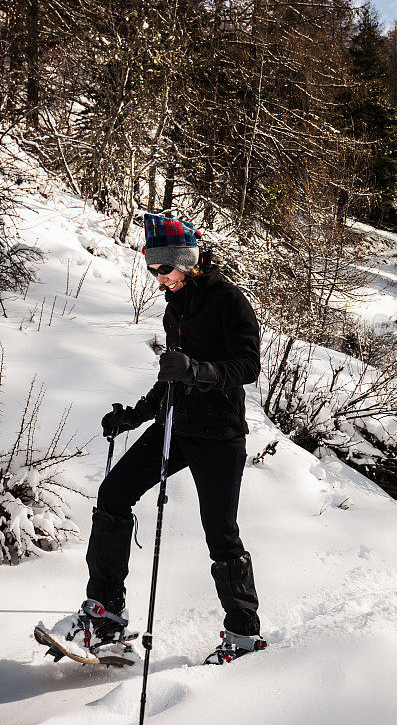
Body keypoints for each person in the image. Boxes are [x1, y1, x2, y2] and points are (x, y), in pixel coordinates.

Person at [47, 213, 264, 665]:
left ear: (187, 261)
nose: (159, 279)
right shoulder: (176, 306)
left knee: (220, 534)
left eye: (164, 270)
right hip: (178, 427)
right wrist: (134, 417)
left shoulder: (228, 300)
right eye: (152, 271)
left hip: (220, 434)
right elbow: (170, 380)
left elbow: (247, 366)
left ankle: (244, 634)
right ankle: (105, 617)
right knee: (113, 494)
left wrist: (199, 371)